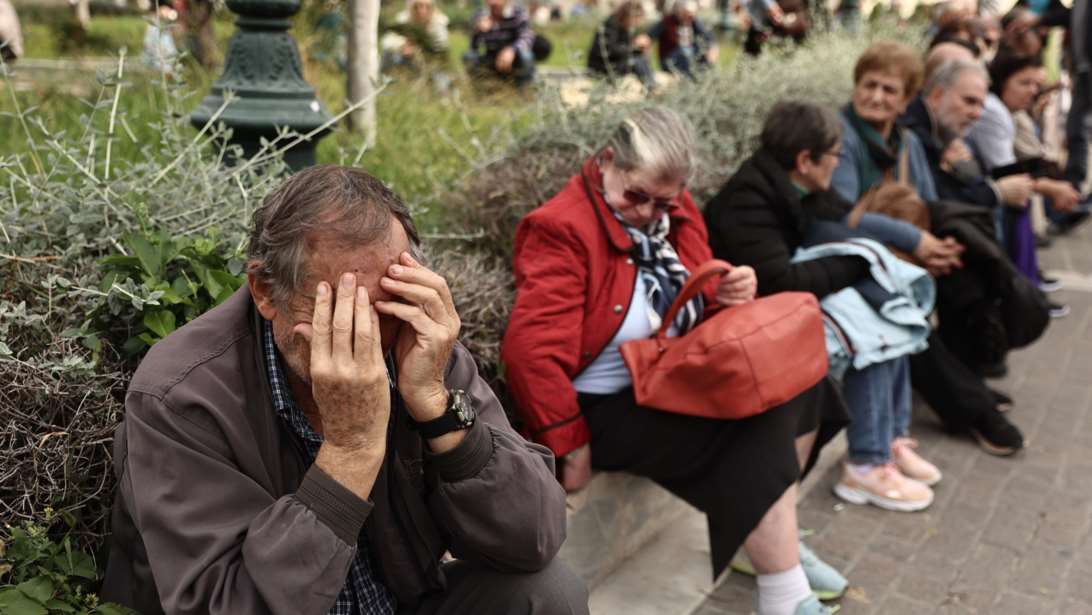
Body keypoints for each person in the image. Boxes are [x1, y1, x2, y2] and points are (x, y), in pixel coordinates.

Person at [101, 165, 587, 615]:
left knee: (547, 596)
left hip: (398, 602)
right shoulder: (180, 396)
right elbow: (226, 604)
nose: (367, 340)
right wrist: (350, 452)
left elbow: (535, 537)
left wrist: (437, 409)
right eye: (341, 313)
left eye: (386, 305)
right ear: (266, 292)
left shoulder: (413, 343)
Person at [503, 107, 848, 615]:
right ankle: (785, 591)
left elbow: (693, 302)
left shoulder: (676, 211)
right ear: (606, 162)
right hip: (605, 406)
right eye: (635, 195)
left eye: (662, 201)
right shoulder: (561, 229)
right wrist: (569, 441)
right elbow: (528, 352)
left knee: (808, 388)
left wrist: (728, 293)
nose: (647, 212)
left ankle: (771, 538)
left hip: (666, 376)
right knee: (760, 425)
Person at [707, 101, 944, 514]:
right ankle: (865, 464)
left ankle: (887, 438)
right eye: (835, 155)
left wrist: (888, 247)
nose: (838, 164)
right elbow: (782, 281)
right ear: (805, 160)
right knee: (867, 333)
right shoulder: (749, 200)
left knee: (893, 313)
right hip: (741, 323)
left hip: (777, 306)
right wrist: (858, 261)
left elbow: (843, 222)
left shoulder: (797, 185)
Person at [833, 43, 1026, 456]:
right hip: (850, 256)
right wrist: (918, 243)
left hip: (900, 253)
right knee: (902, 311)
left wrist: (937, 246)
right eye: (870, 85)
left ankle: (973, 381)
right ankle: (970, 411)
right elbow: (842, 219)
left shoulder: (907, 144)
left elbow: (924, 204)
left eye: (890, 90)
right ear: (856, 86)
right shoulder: (840, 137)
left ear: (905, 101)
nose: (877, 97)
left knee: (967, 275)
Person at [968, 53, 1079, 298]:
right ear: (1003, 80)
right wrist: (1050, 187)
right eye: (1024, 83)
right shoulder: (993, 111)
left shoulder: (1006, 111)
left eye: (1036, 85)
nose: (1032, 91)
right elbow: (1005, 173)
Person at [464, 0, 542, 87]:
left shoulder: (517, 12)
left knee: (526, 56)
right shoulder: (480, 15)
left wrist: (512, 49)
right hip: (490, 54)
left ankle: (524, 90)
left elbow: (527, 36)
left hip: (514, 56)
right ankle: (479, 90)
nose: (493, 3)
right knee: (469, 56)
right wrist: (477, 30)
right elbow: (474, 46)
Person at [586, 0, 656, 91]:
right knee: (635, 61)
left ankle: (652, 85)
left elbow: (628, 48)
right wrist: (634, 46)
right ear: (628, 16)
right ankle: (651, 87)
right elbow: (610, 50)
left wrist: (640, 48)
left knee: (641, 57)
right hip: (603, 65)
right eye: (637, 18)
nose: (637, 22)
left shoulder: (626, 28)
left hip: (616, 62)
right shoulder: (611, 25)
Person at [649, 0, 718, 80]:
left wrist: (712, 48)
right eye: (687, 14)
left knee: (702, 54)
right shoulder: (667, 22)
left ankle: (706, 80)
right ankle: (690, 79)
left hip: (690, 56)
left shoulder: (694, 22)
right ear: (679, 12)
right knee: (683, 53)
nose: (689, 18)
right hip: (671, 58)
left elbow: (708, 37)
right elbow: (650, 35)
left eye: (692, 16)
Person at [380, 0, 450, 71]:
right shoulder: (403, 20)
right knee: (388, 54)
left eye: (426, 7)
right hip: (406, 58)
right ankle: (386, 78)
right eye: (416, 7)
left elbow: (441, 46)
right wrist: (401, 46)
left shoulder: (438, 24)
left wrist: (416, 50)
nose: (421, 11)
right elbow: (387, 40)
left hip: (429, 62)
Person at [142, 1, 180, 75]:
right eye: (165, 9)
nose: (167, 11)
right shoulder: (153, 24)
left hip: (166, 54)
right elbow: (148, 42)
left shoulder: (166, 24)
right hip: (157, 56)